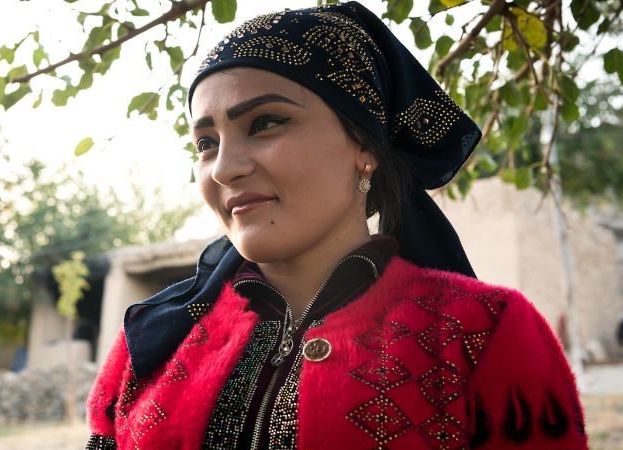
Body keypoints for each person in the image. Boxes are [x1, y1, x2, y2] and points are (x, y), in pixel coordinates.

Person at [85, 2, 587, 449]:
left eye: (264, 123)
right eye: (206, 143)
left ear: (363, 147)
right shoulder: (152, 339)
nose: (223, 168)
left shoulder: (485, 332)